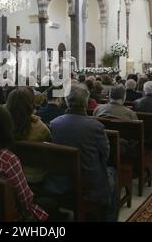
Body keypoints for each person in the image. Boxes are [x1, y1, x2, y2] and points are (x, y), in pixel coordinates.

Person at [47, 84, 118, 222]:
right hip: (88, 183)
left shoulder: (55, 123)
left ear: (67, 101)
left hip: (61, 179)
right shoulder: (95, 126)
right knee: (112, 172)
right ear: (86, 102)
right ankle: (109, 217)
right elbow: (106, 155)